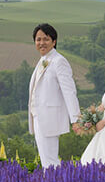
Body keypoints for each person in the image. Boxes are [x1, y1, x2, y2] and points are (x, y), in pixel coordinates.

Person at [27, 23, 81, 168]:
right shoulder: (42, 60)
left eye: (46, 39)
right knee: (46, 159)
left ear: (54, 41)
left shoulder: (59, 61)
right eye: (38, 40)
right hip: (38, 116)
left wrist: (75, 118)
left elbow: (69, 91)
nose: (41, 43)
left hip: (49, 116)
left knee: (49, 160)